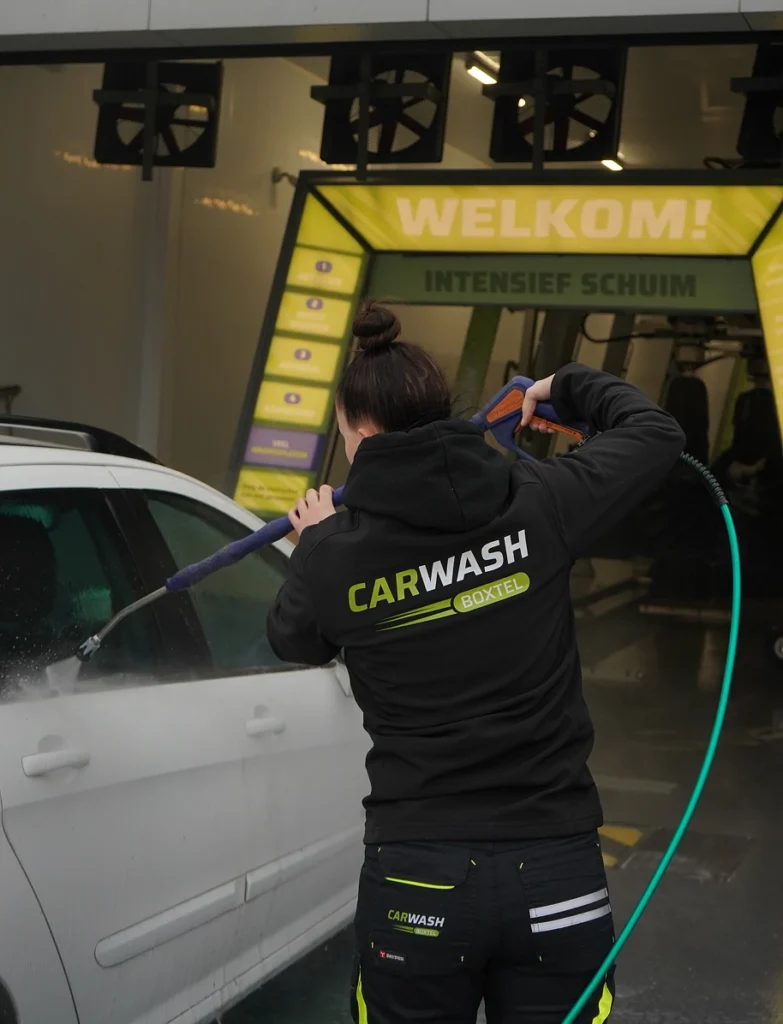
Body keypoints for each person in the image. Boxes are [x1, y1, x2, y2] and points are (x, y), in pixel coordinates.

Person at [267, 302, 685, 1024]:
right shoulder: (541, 502)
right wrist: (563, 384)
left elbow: (293, 637)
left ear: (358, 430)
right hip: (556, 871)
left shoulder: (336, 554)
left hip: (417, 878)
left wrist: (317, 543)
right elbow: (656, 433)